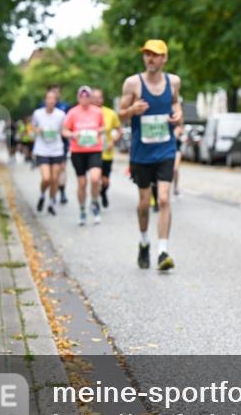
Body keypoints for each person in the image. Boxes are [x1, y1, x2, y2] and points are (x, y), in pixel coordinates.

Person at [118, 39, 182, 271]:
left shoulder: (173, 82)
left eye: (155, 55)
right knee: (144, 203)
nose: (150, 59)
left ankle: (162, 250)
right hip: (141, 152)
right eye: (147, 54)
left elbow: (176, 105)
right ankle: (144, 242)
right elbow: (120, 115)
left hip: (165, 148)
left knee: (163, 198)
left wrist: (177, 117)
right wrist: (131, 111)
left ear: (164, 58)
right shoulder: (133, 84)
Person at [62, 86, 105, 226]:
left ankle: (94, 203)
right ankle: (82, 210)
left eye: (87, 96)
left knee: (94, 178)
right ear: (78, 97)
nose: (84, 99)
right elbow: (64, 131)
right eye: (82, 96)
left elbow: (103, 127)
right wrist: (74, 134)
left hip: (94, 149)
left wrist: (98, 131)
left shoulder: (97, 112)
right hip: (78, 151)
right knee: (82, 183)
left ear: (90, 98)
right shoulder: (72, 113)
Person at [31, 89, 67, 215]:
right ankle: (42, 195)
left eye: (53, 99)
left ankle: (51, 202)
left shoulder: (61, 115)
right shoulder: (38, 113)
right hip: (42, 149)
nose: (51, 101)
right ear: (45, 100)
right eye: (48, 99)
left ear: (56, 101)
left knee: (54, 179)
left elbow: (64, 131)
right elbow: (33, 127)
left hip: (57, 150)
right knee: (46, 178)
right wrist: (37, 130)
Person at [91, 89, 121, 209]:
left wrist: (113, 141)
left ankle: (103, 192)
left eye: (99, 97)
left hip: (106, 152)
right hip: (92, 151)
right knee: (95, 178)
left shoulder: (110, 113)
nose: (96, 100)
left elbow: (119, 130)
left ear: (102, 99)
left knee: (105, 180)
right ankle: (95, 200)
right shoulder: (87, 113)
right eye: (94, 97)